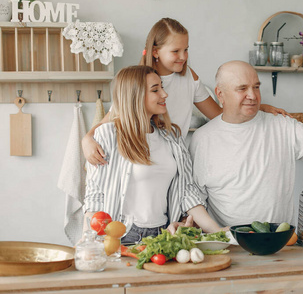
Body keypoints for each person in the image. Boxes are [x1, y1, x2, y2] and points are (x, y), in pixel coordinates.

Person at [82, 18, 288, 166]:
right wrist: (87, 140)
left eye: (186, 49)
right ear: (155, 52)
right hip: (140, 162)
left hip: (174, 160)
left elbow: (218, 115)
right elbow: (107, 122)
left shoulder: (188, 76)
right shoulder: (139, 81)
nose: (183, 56)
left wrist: (258, 108)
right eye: (175, 51)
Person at [189, 60, 303, 228]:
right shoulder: (202, 139)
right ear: (220, 94)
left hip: (279, 245)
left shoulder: (282, 124)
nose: (252, 95)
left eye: (256, 87)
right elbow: (195, 200)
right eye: (242, 88)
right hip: (227, 247)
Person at [83, 65, 223, 242]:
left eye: (162, 87)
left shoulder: (172, 136)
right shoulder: (108, 134)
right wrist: (87, 240)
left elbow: (187, 192)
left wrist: (218, 232)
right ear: (135, 95)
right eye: (155, 90)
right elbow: (95, 194)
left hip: (163, 235)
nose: (164, 94)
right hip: (121, 235)